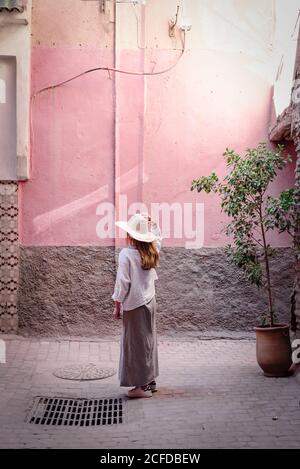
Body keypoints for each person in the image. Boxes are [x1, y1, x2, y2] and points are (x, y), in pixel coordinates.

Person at [112, 212, 162, 398]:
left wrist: (117, 306)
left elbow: (122, 283)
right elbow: (158, 239)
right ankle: (150, 380)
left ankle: (140, 388)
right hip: (150, 301)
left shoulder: (126, 254)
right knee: (148, 341)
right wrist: (153, 224)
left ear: (130, 234)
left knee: (136, 344)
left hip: (134, 305)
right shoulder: (151, 250)